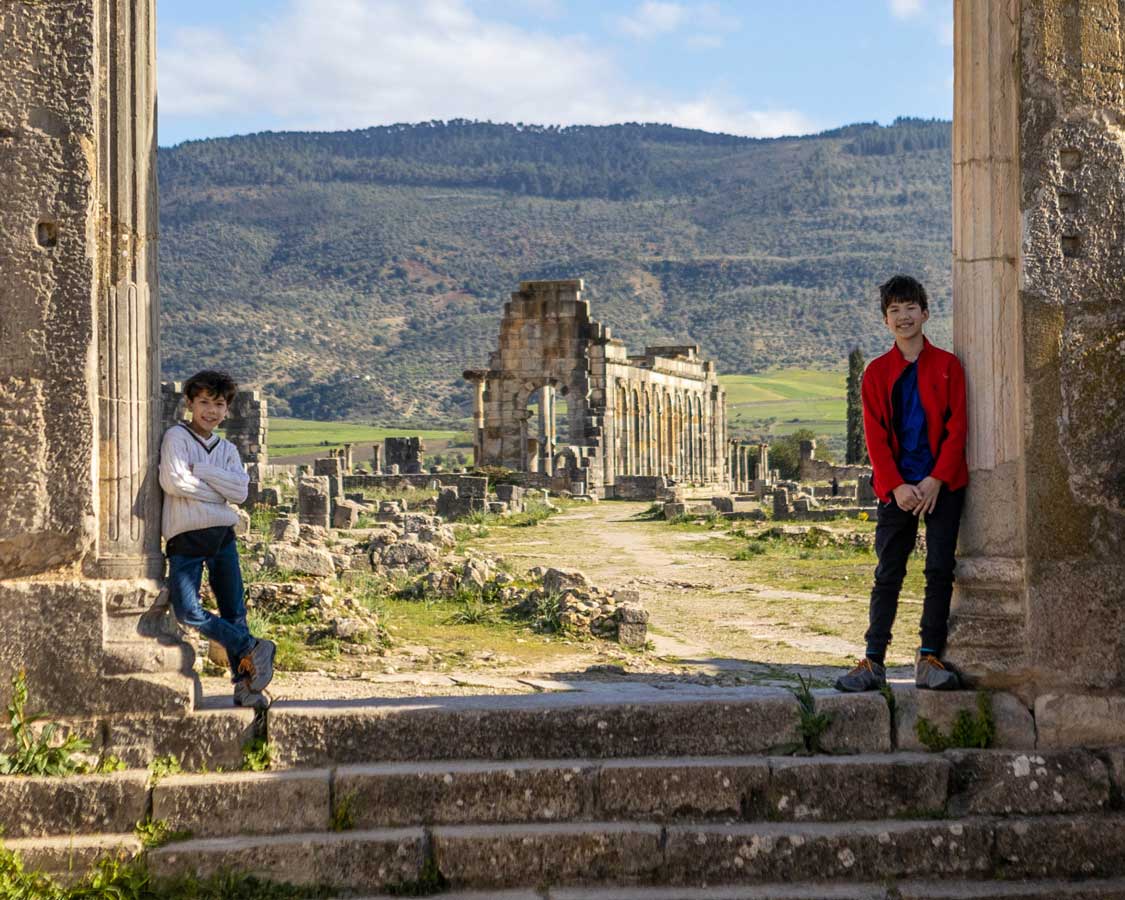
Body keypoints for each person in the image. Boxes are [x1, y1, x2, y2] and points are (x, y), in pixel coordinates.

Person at [836, 275, 968, 693]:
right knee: (888, 572)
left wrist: (935, 480)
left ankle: (929, 658)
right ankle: (873, 660)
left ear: (925, 313)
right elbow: (874, 436)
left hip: (941, 486)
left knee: (939, 570)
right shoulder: (875, 373)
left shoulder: (948, 366)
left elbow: (958, 427)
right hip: (897, 489)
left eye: (910, 308)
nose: (903, 316)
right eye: (894, 310)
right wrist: (895, 486)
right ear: (885, 321)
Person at [159, 370, 276, 708]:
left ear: (227, 410)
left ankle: (246, 688)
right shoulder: (176, 438)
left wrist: (202, 471)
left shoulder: (225, 448)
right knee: (188, 611)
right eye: (204, 403)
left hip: (222, 536)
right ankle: (253, 646)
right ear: (190, 404)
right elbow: (173, 482)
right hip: (185, 537)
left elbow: (239, 491)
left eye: (218, 404)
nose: (210, 411)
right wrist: (218, 489)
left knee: (234, 612)